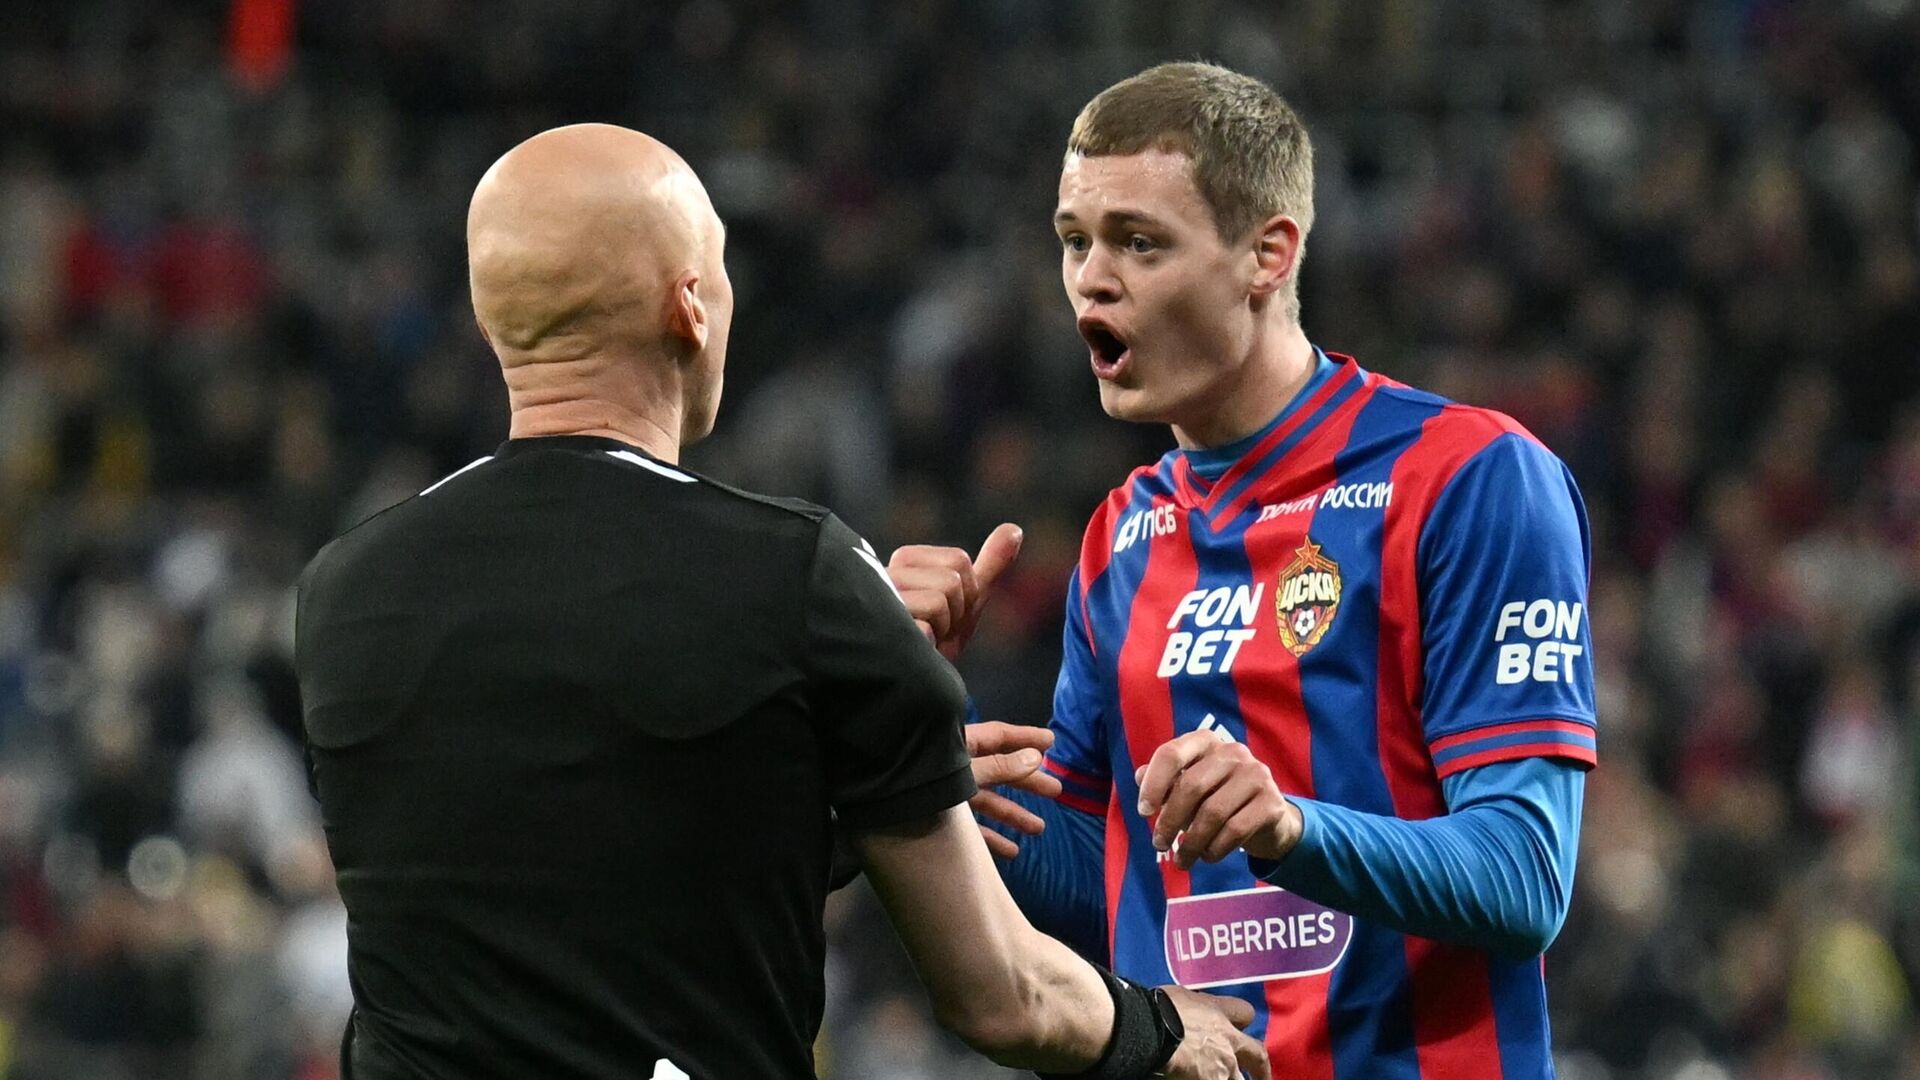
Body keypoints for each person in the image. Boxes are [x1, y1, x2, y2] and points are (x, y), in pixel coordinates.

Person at [291, 123, 1266, 1080]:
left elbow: (536, 856)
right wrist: (1160, 1029)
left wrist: (833, 786)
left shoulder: (343, 589)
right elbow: (1004, 999)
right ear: (690, 306)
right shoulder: (797, 574)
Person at [890, 62, 1597, 1078]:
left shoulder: (1467, 478)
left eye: (1140, 242)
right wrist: (915, 723)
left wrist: (1290, 828)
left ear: (1269, 255)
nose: (1092, 279)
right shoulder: (1121, 536)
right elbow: (1106, 884)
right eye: (1075, 241)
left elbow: (1526, 874)